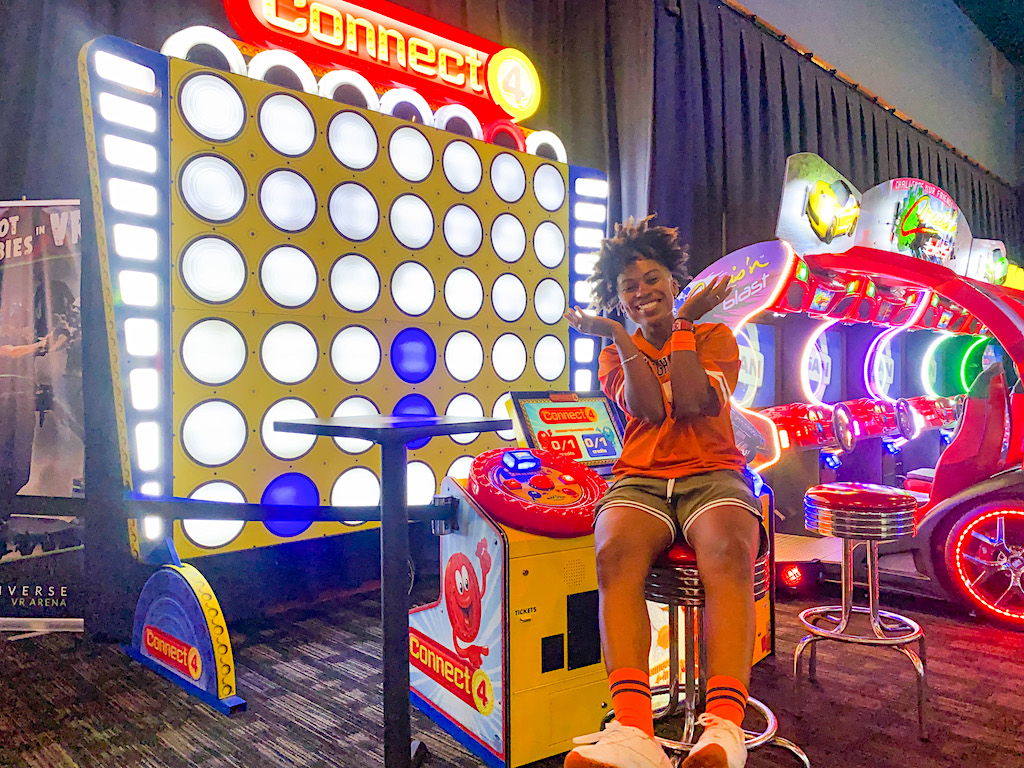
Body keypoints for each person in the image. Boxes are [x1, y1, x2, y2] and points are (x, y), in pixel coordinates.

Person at [562, 216, 764, 768]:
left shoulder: (716, 337)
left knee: (727, 552)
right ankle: (633, 731)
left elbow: (696, 401)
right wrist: (618, 339)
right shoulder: (614, 349)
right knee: (612, 554)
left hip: (714, 473)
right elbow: (649, 409)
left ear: (673, 281)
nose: (642, 291)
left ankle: (724, 728)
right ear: (619, 299)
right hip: (641, 479)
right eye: (630, 286)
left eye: (652, 278)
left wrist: (684, 328)